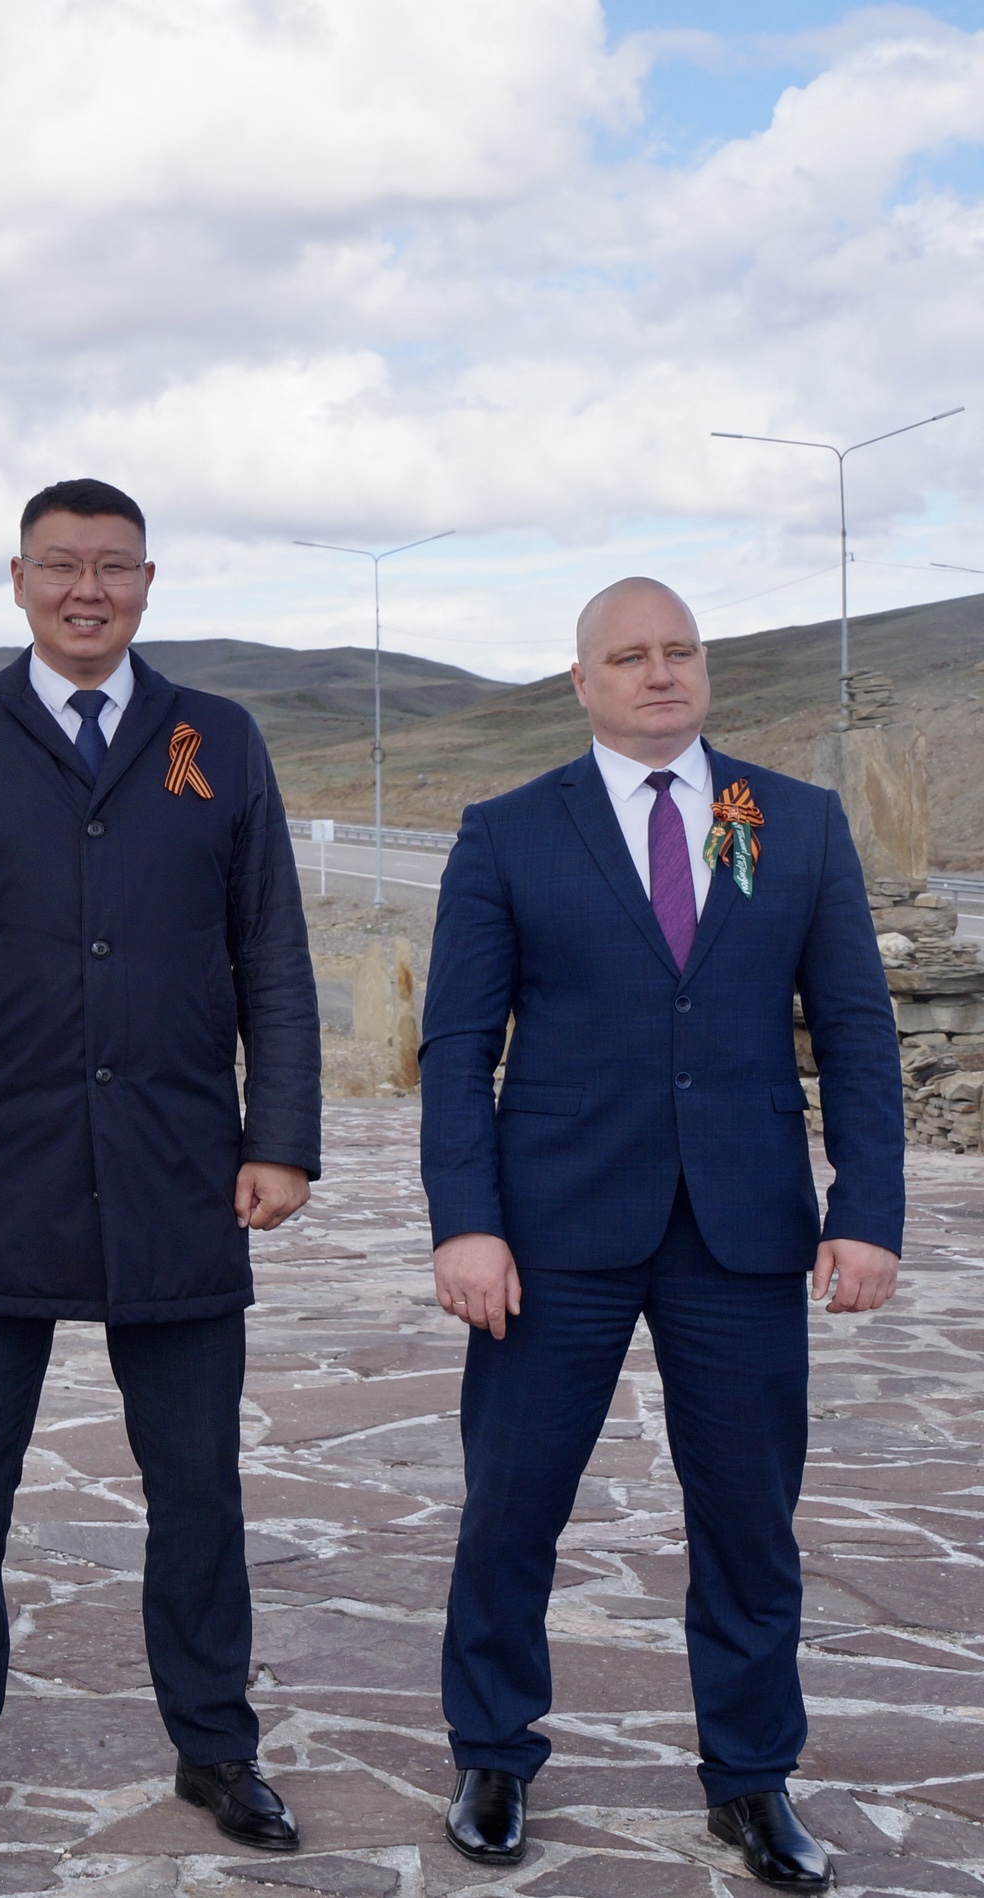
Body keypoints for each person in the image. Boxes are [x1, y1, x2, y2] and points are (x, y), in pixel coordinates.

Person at [0, 479, 321, 1848]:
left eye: (113, 566)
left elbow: (272, 949)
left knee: (198, 1482)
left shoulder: (218, 738)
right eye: (61, 565)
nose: (87, 590)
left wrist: (281, 1135)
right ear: (18, 580)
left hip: (179, 1167)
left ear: (148, 584)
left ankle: (215, 1744)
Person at [421, 577, 902, 1889]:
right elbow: (457, 1047)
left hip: (742, 1231)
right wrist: (466, 1223)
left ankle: (751, 1778)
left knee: (749, 1522)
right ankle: (493, 1753)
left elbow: (856, 1027)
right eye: (628, 655)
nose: (659, 671)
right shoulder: (509, 831)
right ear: (581, 680)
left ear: (705, 668)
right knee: (513, 1507)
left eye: (679, 650)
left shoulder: (793, 821)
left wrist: (866, 1209)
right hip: (552, 1231)